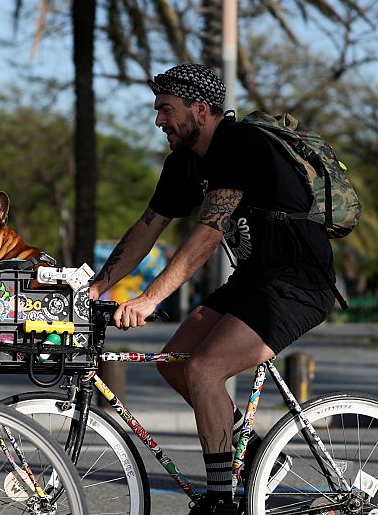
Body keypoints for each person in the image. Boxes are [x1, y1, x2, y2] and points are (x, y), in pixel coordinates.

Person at [89, 63, 335, 515]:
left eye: (166, 109)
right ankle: (258, 455)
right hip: (253, 279)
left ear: (200, 110)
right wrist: (97, 288)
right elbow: (148, 227)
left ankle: (221, 500)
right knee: (175, 363)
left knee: (203, 369)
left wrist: (149, 298)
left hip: (298, 281)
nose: (158, 120)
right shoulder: (183, 162)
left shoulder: (240, 144)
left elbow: (208, 233)